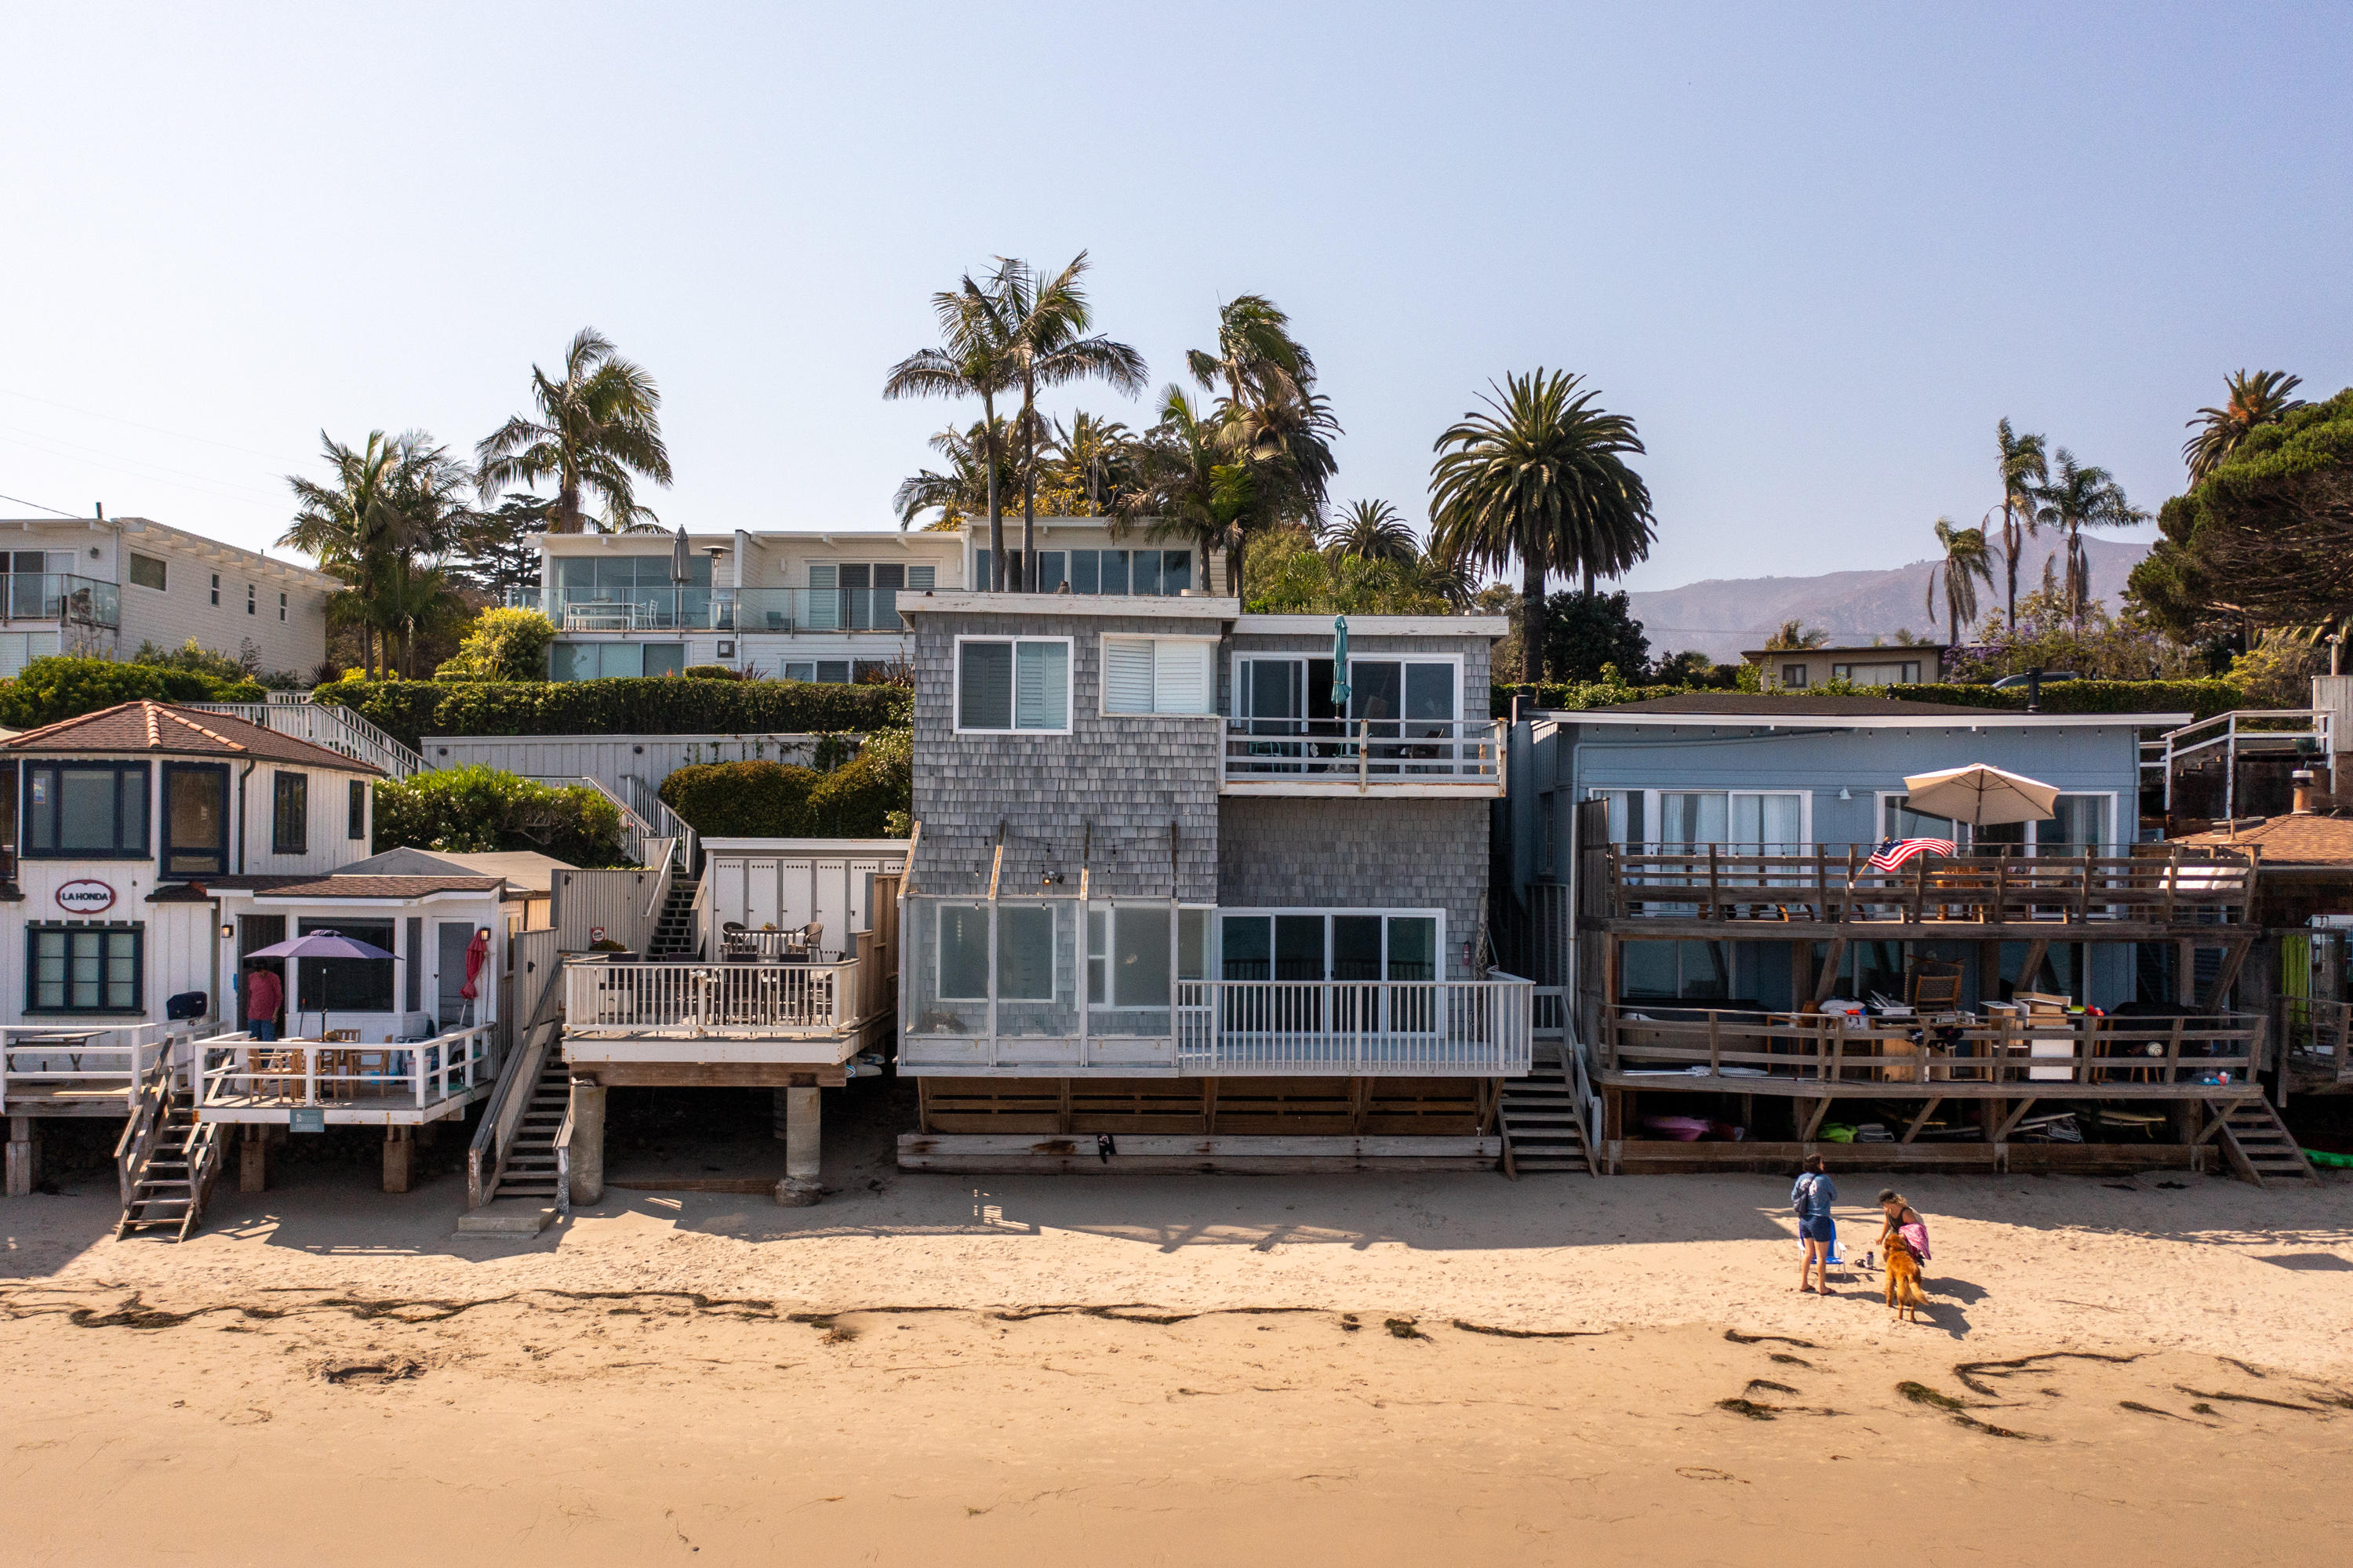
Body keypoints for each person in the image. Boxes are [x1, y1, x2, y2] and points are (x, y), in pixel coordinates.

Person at [1792, 1155, 1838, 1294]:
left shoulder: (1801, 1178)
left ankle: (1804, 1283)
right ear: (1818, 1165)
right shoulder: (1824, 1179)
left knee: (1808, 1253)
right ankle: (1822, 1287)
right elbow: (1834, 1196)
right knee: (1821, 1256)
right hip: (1819, 1218)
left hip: (1805, 1218)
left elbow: (1794, 1196)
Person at [1876, 1188, 1930, 1265]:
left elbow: (1916, 1229)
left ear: (1889, 1201)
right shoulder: (1887, 1209)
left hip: (1908, 1235)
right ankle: (1893, 1269)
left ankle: (1914, 1259)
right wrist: (1882, 1236)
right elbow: (1888, 1222)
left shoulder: (1906, 1213)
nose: (1883, 1205)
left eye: (1883, 1203)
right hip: (1895, 1230)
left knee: (1903, 1257)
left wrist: (1903, 1236)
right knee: (1885, 1252)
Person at [243, 962, 283, 1043]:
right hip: (253, 1013)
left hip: (268, 1014)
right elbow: (249, 995)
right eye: (259, 972)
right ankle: (253, 1055)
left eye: (263, 972)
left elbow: (278, 996)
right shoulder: (251, 977)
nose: (261, 974)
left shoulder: (274, 978)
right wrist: (248, 1010)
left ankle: (267, 1055)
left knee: (267, 1039)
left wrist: (275, 1013)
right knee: (252, 1039)